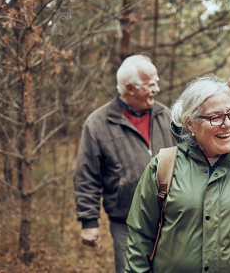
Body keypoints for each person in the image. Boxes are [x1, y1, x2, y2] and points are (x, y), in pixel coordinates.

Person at [124, 75, 230, 273]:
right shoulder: (163, 166)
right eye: (215, 117)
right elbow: (140, 238)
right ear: (191, 123)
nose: (228, 124)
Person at [73, 55, 176, 273]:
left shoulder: (166, 115)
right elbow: (87, 175)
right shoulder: (98, 123)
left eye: (156, 82)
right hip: (126, 221)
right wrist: (89, 222)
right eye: (151, 85)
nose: (157, 89)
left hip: (172, 218)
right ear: (129, 88)